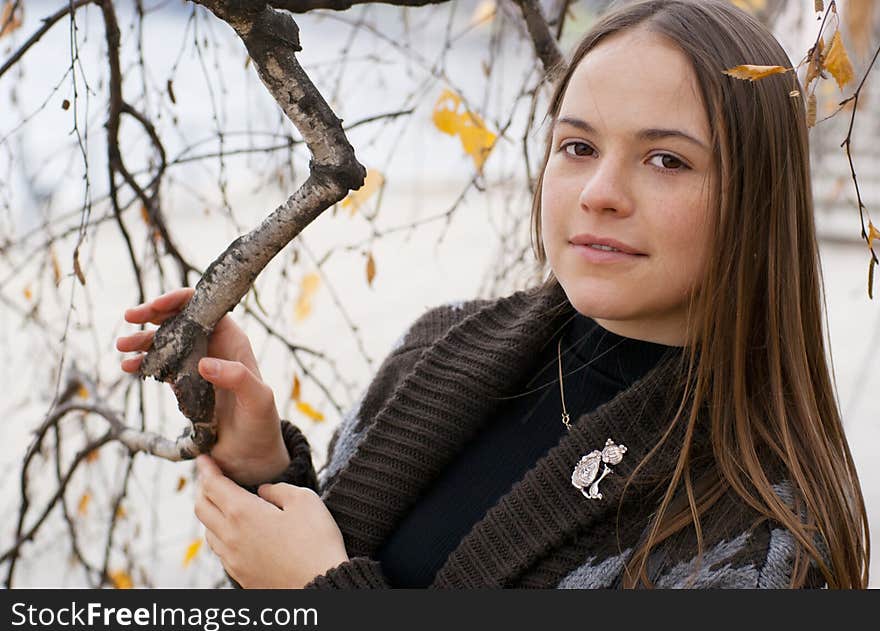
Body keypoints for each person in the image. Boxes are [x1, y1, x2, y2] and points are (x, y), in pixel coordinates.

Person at [116, 0, 870, 588]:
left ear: (756, 195)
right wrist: (265, 466)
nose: (600, 192)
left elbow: (320, 579)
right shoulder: (436, 349)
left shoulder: (767, 536)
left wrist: (319, 591)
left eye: (667, 160)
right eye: (578, 147)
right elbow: (316, 561)